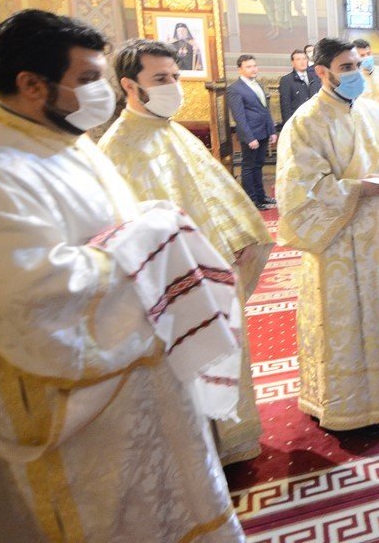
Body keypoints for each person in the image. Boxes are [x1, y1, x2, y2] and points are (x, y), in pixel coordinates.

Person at [0, 10, 245, 541]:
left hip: (133, 382)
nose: (101, 91)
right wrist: (145, 240)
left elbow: (109, 221)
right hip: (74, 416)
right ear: (30, 84)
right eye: (87, 79)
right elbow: (26, 297)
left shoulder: (54, 133)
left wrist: (142, 228)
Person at [99, 39, 272, 466]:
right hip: (172, 294)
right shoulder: (114, 151)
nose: (173, 86)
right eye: (160, 79)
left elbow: (216, 196)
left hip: (214, 279)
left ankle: (230, 443)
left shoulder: (174, 133)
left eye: (175, 77)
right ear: (129, 86)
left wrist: (241, 244)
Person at [275, 37, 379, 430]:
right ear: (322, 73)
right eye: (346, 68)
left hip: (371, 233)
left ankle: (374, 398)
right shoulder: (306, 122)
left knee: (372, 314)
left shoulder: (372, 111)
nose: (355, 74)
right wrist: (361, 188)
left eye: (357, 65)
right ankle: (338, 404)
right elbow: (299, 190)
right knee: (338, 318)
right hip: (334, 242)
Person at [226, 53, 277, 209]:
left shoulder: (258, 85)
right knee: (248, 167)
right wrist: (249, 138)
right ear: (240, 70)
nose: (253, 69)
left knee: (258, 166)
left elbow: (265, 110)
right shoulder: (235, 89)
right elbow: (239, 117)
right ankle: (252, 200)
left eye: (254, 66)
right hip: (251, 135)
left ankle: (262, 197)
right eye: (249, 66)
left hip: (263, 132)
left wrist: (272, 131)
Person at [279, 48, 321, 127]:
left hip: (316, 122)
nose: (302, 62)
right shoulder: (286, 80)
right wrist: (288, 126)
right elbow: (285, 106)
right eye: (298, 59)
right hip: (298, 123)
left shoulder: (315, 78)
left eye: (304, 59)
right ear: (293, 63)